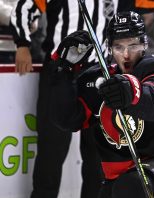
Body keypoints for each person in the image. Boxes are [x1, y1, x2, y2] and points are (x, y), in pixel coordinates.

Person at [48, 11, 154, 198]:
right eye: (118, 47)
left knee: (131, 187)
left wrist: (130, 90)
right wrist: (63, 71)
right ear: (109, 48)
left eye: (133, 45)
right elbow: (67, 120)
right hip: (119, 175)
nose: (126, 54)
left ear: (144, 44)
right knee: (123, 187)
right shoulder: (96, 79)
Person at [9, 0, 120, 197]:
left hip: (99, 74)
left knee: (97, 154)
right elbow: (23, 8)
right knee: (52, 148)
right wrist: (22, 44)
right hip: (60, 71)